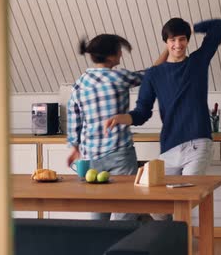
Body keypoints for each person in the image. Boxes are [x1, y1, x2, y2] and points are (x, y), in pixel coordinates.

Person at [104, 18, 221, 214]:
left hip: (198, 143)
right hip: (169, 147)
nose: (178, 45)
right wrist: (121, 118)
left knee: (184, 201)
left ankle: (182, 243)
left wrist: (190, 28)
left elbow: (217, 26)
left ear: (187, 40)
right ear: (166, 43)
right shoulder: (153, 75)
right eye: (173, 40)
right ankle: (172, 240)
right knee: (157, 209)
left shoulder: (198, 62)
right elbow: (141, 112)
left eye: (182, 39)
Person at [66, 34, 167, 221]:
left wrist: (73, 147)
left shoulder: (79, 84)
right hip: (119, 154)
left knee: (98, 214)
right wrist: (168, 50)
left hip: (90, 157)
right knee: (126, 209)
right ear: (111, 56)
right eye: (119, 50)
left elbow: (74, 120)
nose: (121, 53)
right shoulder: (119, 77)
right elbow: (152, 74)